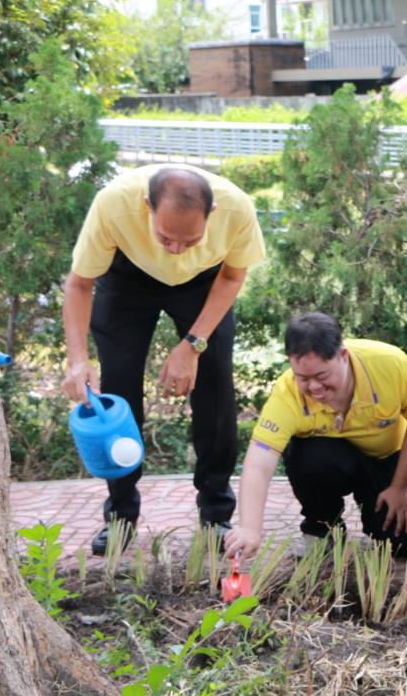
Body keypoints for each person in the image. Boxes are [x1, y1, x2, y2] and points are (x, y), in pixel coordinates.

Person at [61, 165, 265, 554]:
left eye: (190, 239)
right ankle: (120, 516)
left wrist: (192, 346)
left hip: (207, 281)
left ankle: (216, 514)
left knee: (216, 386)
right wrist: (78, 360)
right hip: (127, 278)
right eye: (166, 237)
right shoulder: (114, 204)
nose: (175, 249)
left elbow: (232, 277)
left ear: (213, 212)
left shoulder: (237, 209)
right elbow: (79, 283)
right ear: (146, 208)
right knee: (117, 392)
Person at [223, 312, 407, 559]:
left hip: (390, 457)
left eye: (322, 376)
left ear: (343, 356)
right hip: (333, 459)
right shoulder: (287, 392)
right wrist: (249, 528)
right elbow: (259, 461)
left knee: (403, 544)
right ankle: (321, 528)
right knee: (307, 455)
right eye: (303, 378)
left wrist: (400, 486)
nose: (314, 388)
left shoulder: (390, 363)